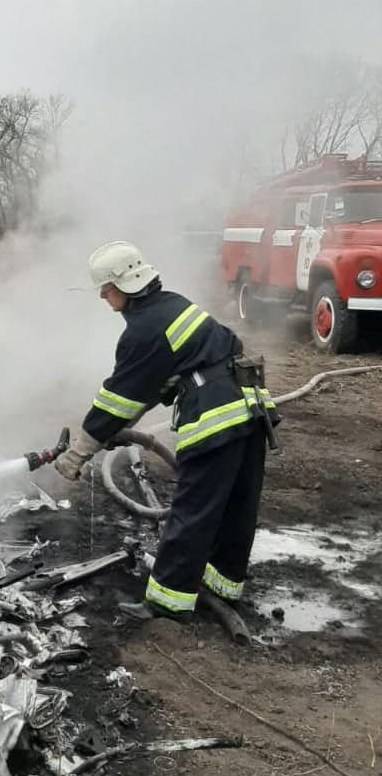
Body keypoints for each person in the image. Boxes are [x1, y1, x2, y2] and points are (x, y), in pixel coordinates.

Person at [53, 240, 279, 624]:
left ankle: (167, 603)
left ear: (124, 285)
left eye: (106, 290)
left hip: (215, 418)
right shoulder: (172, 304)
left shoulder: (144, 330)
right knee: (235, 506)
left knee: (192, 511)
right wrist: (123, 425)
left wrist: (79, 452)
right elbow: (163, 378)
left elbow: (118, 400)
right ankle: (224, 585)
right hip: (250, 409)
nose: (104, 299)